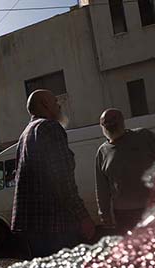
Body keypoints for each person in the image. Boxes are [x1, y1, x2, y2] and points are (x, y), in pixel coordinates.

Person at [12, 90, 96, 258]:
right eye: (55, 102)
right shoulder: (49, 127)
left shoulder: (24, 135)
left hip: (33, 227)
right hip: (54, 225)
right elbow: (62, 178)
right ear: (45, 105)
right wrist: (83, 216)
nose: (59, 105)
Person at [95, 109, 155, 234]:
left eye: (114, 120)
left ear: (122, 121)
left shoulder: (144, 136)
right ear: (102, 126)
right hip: (124, 215)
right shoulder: (102, 152)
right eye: (106, 122)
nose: (110, 124)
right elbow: (102, 188)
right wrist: (104, 214)